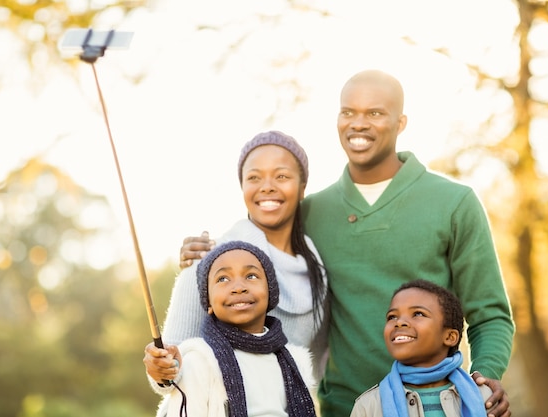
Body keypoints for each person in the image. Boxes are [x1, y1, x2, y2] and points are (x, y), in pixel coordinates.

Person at [178, 69, 515, 417]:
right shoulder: (313, 211)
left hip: (439, 405)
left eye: (375, 113)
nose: (359, 124)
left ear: (400, 123)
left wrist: (483, 381)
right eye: (348, 112)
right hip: (345, 407)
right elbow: (256, 245)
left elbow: (489, 314)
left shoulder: (454, 203)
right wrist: (207, 251)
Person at [143, 131, 328, 388]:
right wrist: (161, 367)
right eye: (254, 177)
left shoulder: (317, 271)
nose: (267, 186)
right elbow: (170, 369)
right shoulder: (207, 260)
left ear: (302, 188)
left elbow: (316, 366)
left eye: (282, 176)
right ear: (242, 186)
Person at [149, 240, 317, 416]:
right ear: (209, 303)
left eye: (251, 276)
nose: (238, 288)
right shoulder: (200, 360)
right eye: (223, 279)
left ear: (271, 292)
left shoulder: (296, 363)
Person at [350, 279, 491, 417]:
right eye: (392, 317)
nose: (399, 322)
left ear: (449, 337)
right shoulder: (368, 407)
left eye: (418, 314)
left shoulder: (484, 398)